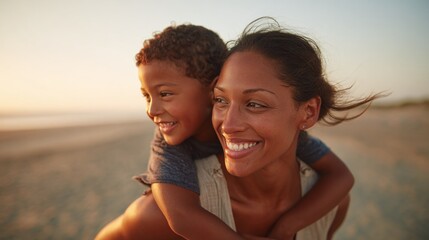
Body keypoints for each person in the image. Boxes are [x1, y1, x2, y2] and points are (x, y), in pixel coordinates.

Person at [95, 19, 361, 240]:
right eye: (222, 100)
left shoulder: (326, 203)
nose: (229, 124)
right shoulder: (167, 162)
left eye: (255, 104)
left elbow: (340, 175)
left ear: (309, 112)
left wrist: (286, 228)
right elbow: (176, 215)